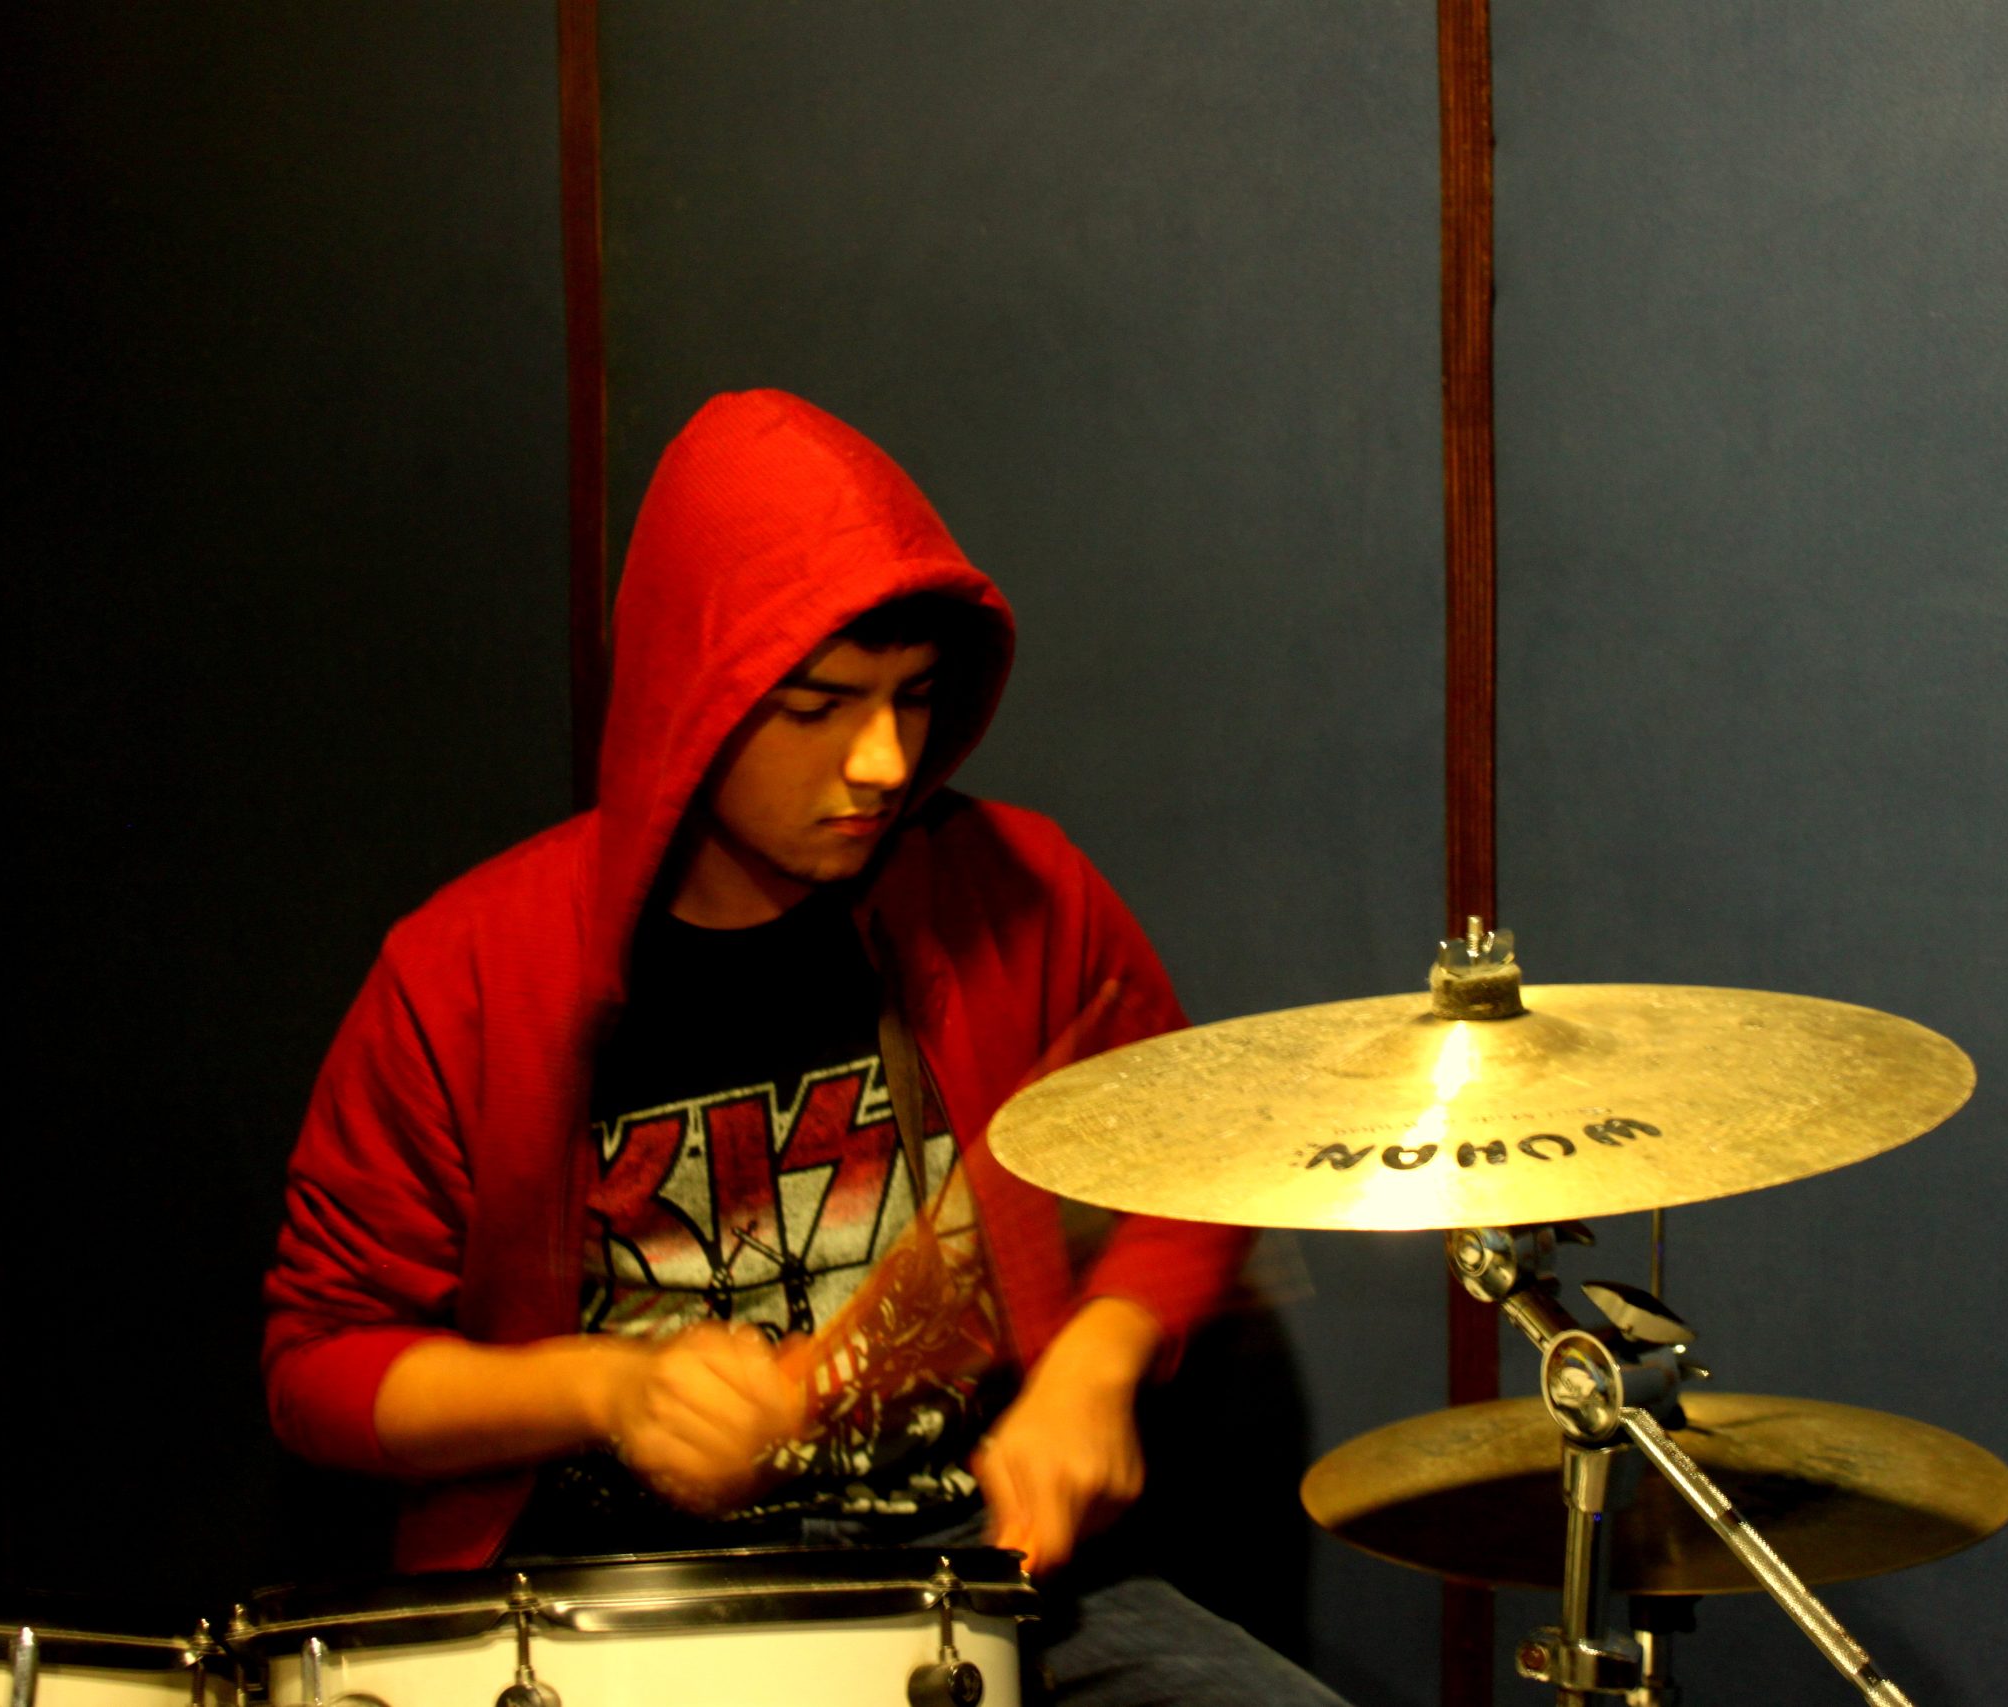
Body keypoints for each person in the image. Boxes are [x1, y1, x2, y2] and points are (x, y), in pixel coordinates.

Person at [263, 389, 1349, 1704]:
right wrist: (603, 1391)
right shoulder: (466, 974)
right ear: (692, 698)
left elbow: (1188, 1160)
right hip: (611, 1608)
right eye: (818, 707)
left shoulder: (1016, 892)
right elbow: (319, 1367)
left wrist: (1099, 1358)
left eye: (913, 698)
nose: (883, 760)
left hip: (973, 1576)